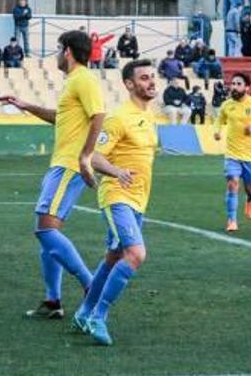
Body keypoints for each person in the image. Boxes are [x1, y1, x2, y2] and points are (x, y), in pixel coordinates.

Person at [0, 30, 105, 320]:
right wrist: (25, 105)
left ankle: (92, 285)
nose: (57, 54)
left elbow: (99, 115)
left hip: (70, 164)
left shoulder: (83, 79)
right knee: (48, 232)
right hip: (61, 163)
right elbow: (60, 117)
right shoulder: (73, 81)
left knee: (45, 230)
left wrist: (85, 156)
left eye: (59, 49)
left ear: (68, 51)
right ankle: (53, 300)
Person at [71, 59, 158, 346]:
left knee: (114, 257)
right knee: (136, 254)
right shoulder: (119, 117)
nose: (151, 82)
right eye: (144, 78)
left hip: (138, 200)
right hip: (116, 196)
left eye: (152, 77)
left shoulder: (149, 115)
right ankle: (99, 315)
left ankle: (83, 312)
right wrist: (117, 171)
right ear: (129, 84)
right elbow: (92, 156)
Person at [212, 73, 251, 233]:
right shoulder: (227, 105)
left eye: (238, 84)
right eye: (233, 83)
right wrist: (217, 131)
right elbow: (219, 120)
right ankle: (232, 220)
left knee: (250, 188)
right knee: (232, 183)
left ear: (247, 87)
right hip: (232, 154)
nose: (234, 86)